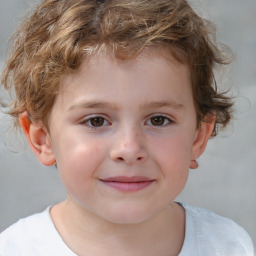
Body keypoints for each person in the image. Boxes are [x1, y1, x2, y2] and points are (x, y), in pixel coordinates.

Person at [0, 0, 254, 255]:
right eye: (96, 121)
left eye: (158, 120)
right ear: (43, 139)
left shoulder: (229, 245)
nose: (130, 149)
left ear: (198, 136)